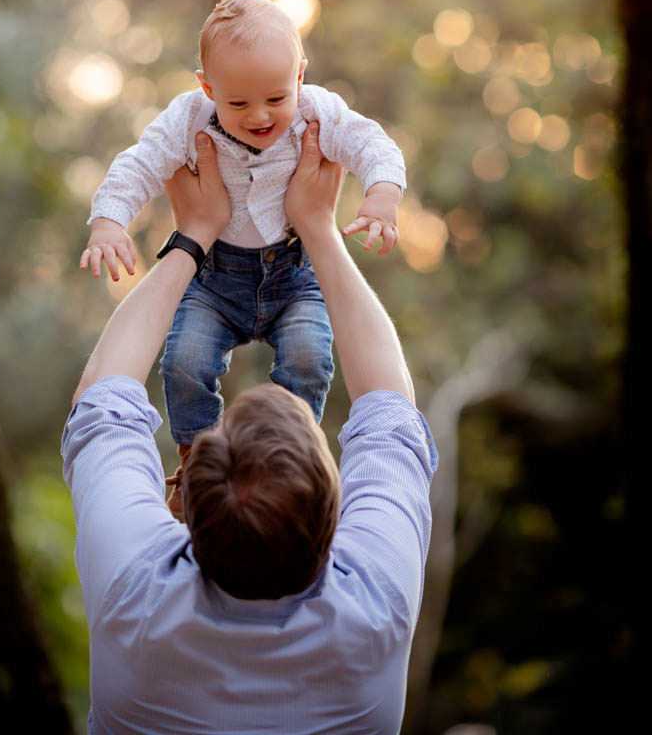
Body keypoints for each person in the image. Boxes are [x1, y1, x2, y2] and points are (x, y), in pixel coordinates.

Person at [63, 121, 437, 735]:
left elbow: (102, 401)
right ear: (331, 514)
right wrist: (317, 224)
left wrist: (195, 233)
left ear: (188, 503)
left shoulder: (134, 596)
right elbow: (390, 410)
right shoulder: (377, 610)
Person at [80, 0, 407, 508]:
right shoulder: (187, 120)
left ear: (300, 74)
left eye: (276, 99)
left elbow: (372, 144)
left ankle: (288, 457)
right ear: (207, 87)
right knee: (183, 360)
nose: (259, 115)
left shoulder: (319, 111)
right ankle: (193, 461)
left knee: (308, 358)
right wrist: (108, 222)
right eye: (237, 104)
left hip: (295, 276)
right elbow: (138, 165)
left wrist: (382, 194)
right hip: (213, 281)